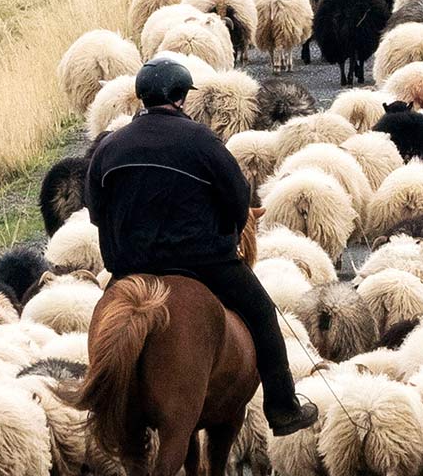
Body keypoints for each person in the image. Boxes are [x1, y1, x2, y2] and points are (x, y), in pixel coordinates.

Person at [84, 58, 320, 436]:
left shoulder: (110, 146)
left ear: (142, 97)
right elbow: (238, 199)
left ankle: (99, 406)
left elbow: (95, 211)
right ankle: (282, 407)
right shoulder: (202, 140)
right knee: (262, 314)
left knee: (105, 325)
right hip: (204, 262)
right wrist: (224, 233)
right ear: (181, 97)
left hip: (131, 266)